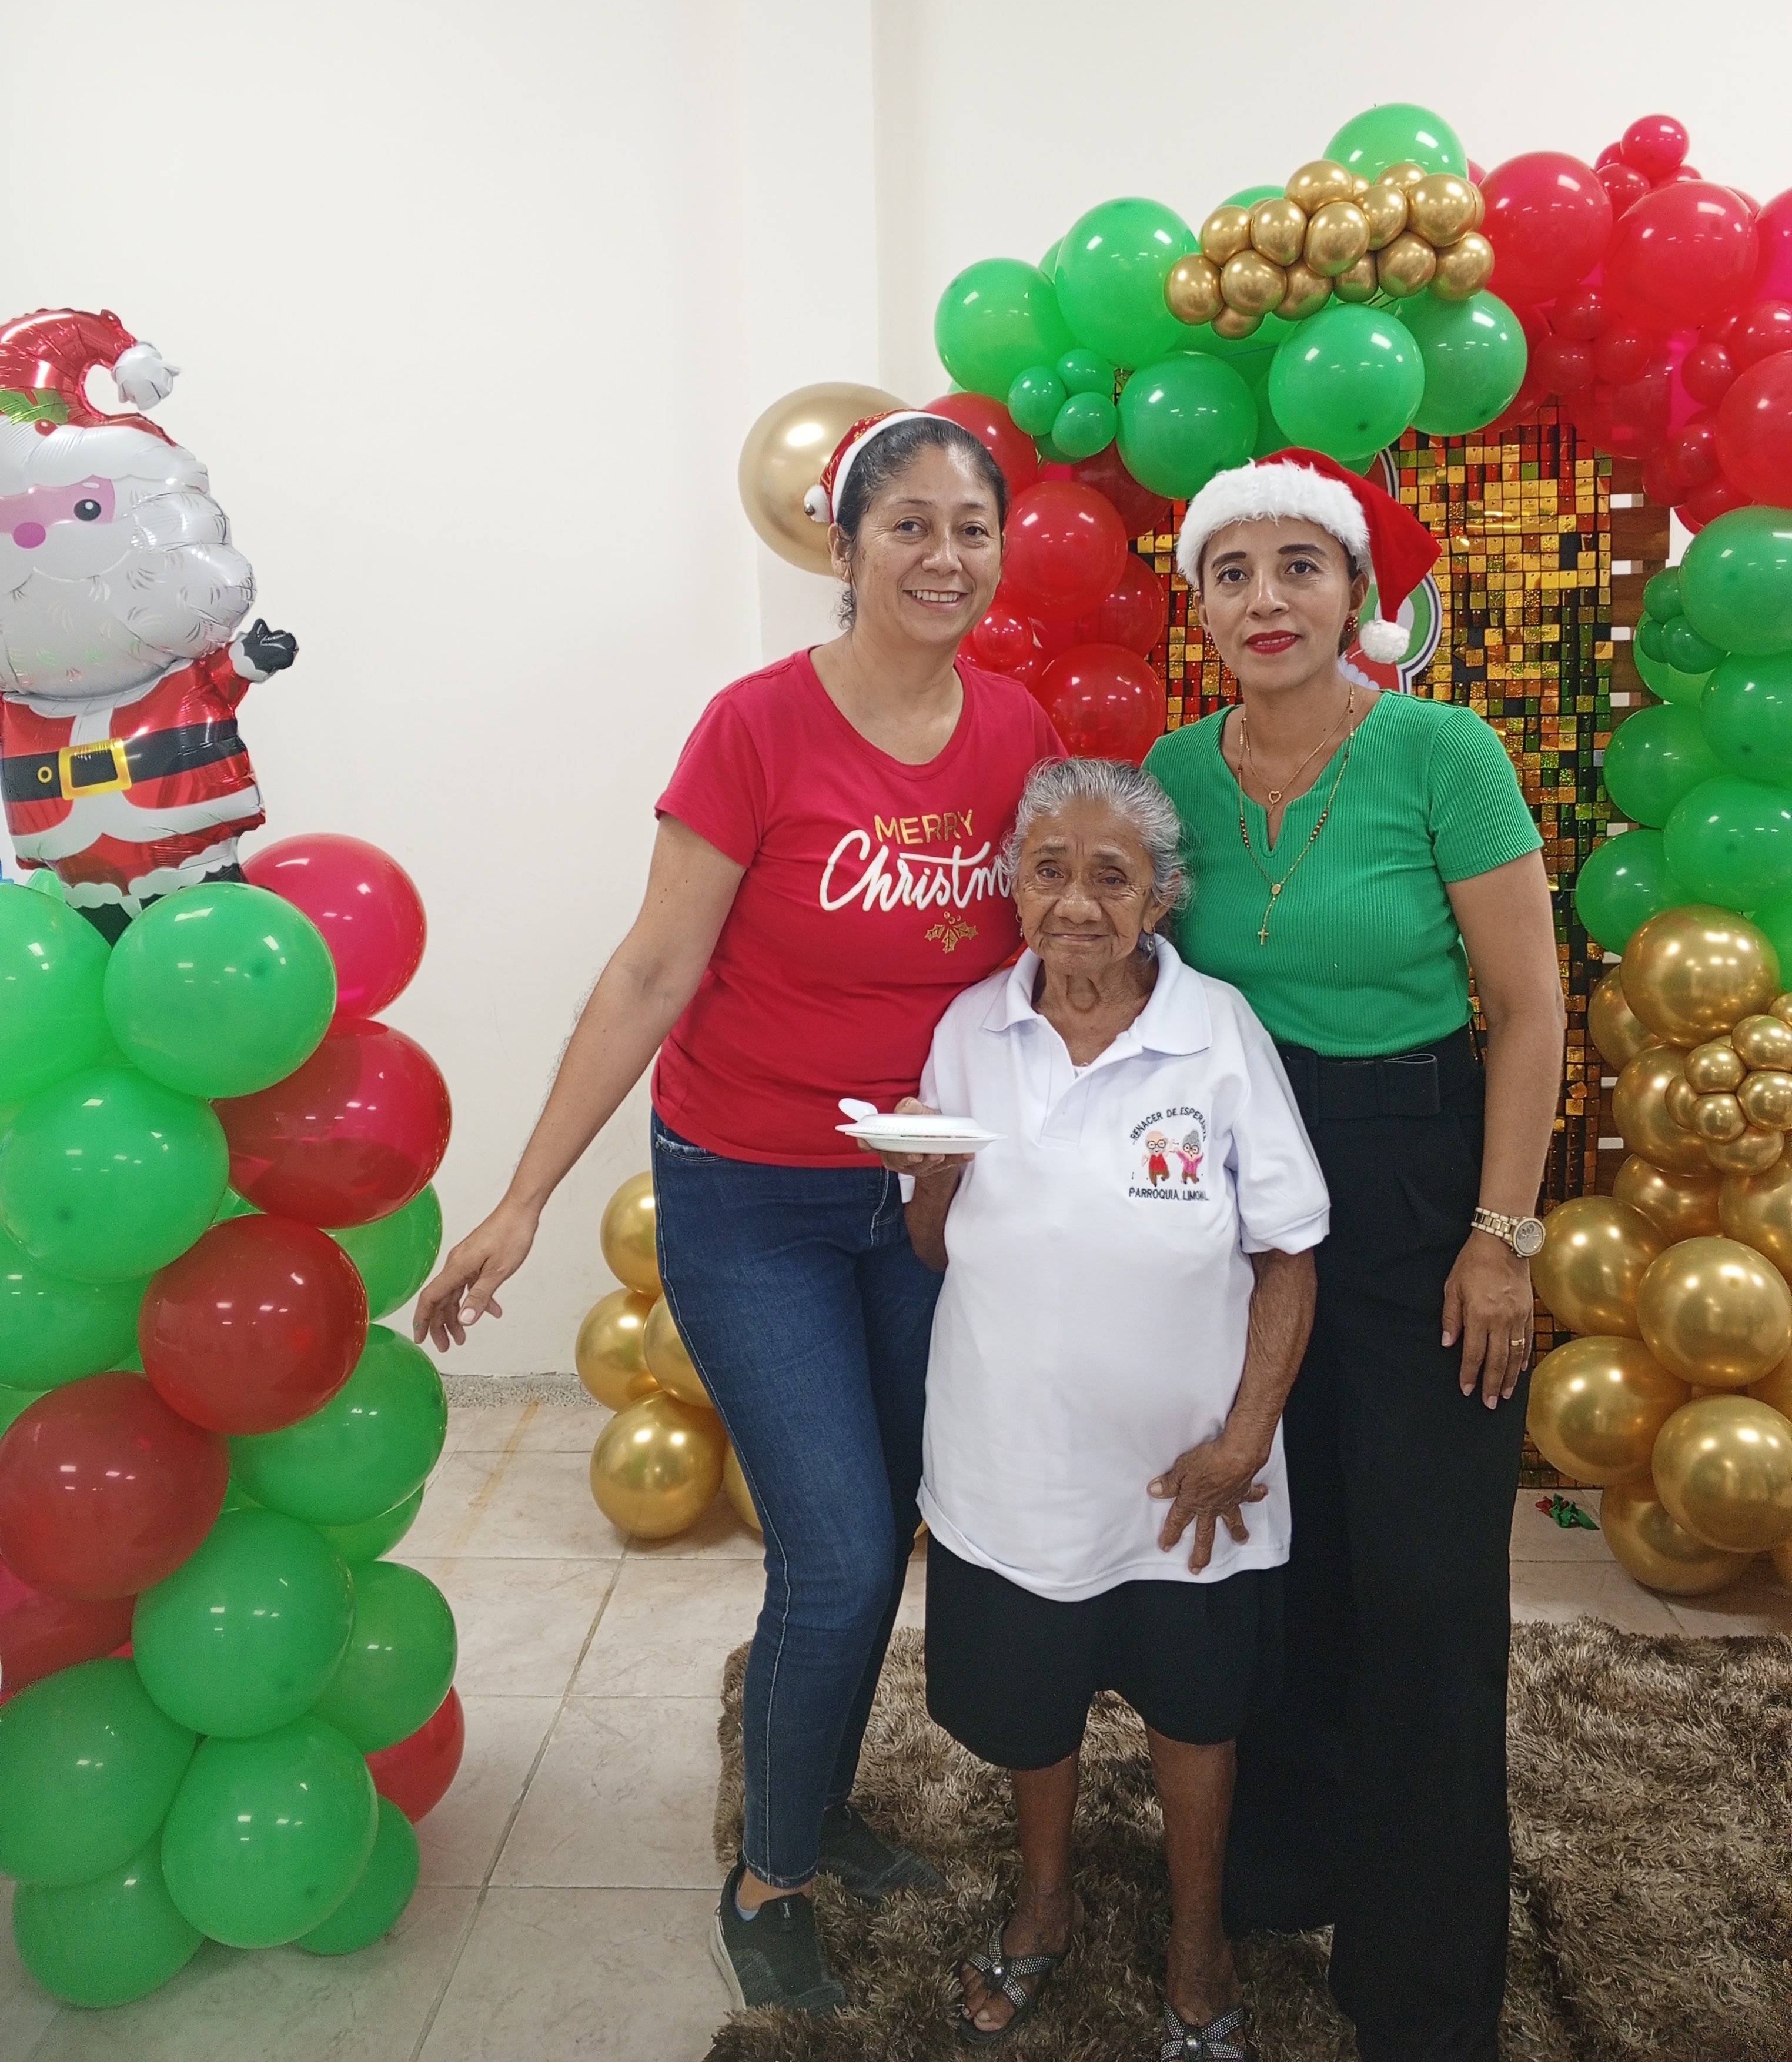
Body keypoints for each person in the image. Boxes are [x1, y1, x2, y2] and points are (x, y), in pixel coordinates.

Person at [412, 409, 1062, 2016]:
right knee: (834, 1552)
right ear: (844, 547)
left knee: (887, 1528)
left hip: (924, 1200)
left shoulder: (1017, 730)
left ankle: (818, 1806)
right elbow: (653, 970)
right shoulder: (756, 727)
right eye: (908, 526)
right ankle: (769, 1874)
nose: (944, 557)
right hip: (752, 1194)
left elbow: (1045, 959)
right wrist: (523, 1197)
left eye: (971, 528)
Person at [1144, 452, 1566, 2062]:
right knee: (1284, 1562)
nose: (1267, 599)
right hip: (1239, 1198)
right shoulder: (1170, 773)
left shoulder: (1444, 752)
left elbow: (1528, 1009)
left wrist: (1501, 1237)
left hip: (1415, 1184)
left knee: (1428, 1587)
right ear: (1201, 607)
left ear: (1356, 595)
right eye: (1232, 571)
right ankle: (1288, 1868)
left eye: (1300, 566)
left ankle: (1425, 1989)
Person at [902, 754, 1326, 2059]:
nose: (1076, 902)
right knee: (1030, 1712)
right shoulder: (972, 1028)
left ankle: (1199, 1944)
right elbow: (934, 1247)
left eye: (1110, 876)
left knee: (1196, 1715)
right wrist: (924, 1177)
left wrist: (1245, 1438)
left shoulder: (1218, 1030)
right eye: (1049, 870)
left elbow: (1289, 1252)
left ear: (1159, 897)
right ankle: (1047, 1903)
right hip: (1012, 1464)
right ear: (1012, 884)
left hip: (1186, 1478)